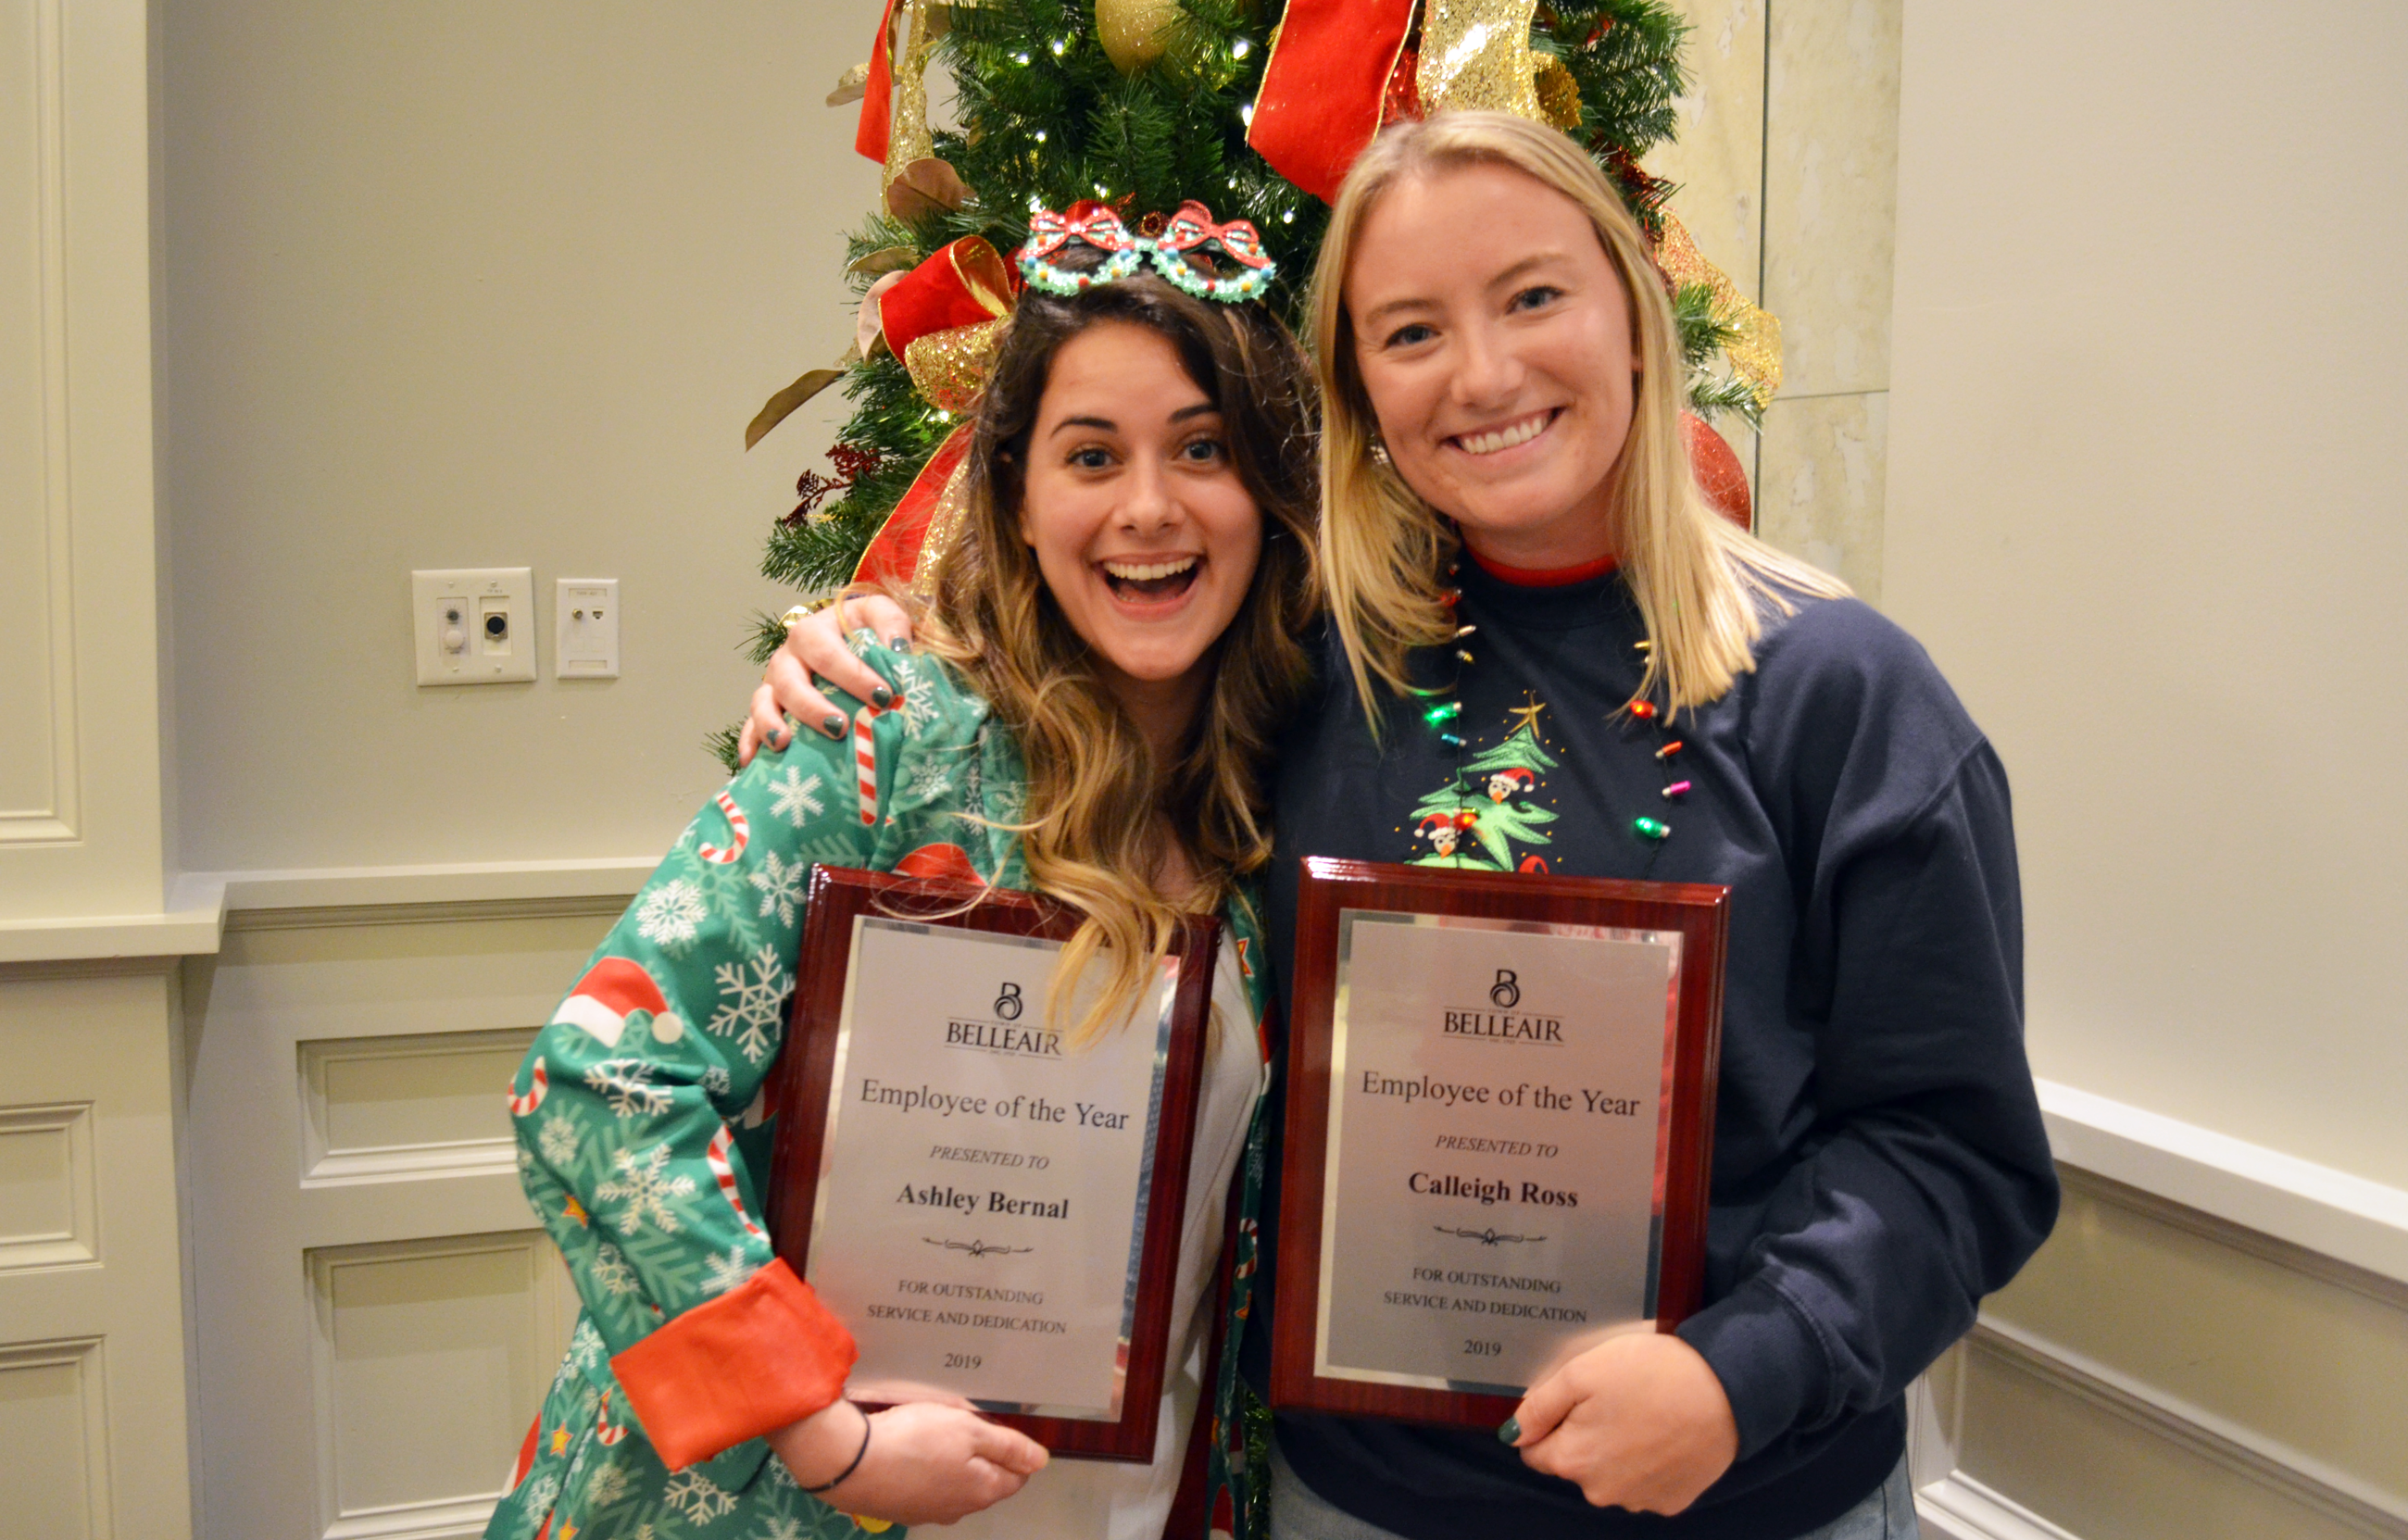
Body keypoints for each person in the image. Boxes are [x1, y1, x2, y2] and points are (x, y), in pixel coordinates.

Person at [746, 111, 2058, 1540]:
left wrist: (1741, 1376)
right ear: (1359, 387)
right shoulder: (1295, 669)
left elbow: (1955, 1150)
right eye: (1413, 331)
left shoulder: (1848, 698)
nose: (1484, 373)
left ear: (1635, 316)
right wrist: (871, 648)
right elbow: (1071, 675)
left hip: (1750, 1500)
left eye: (1535, 296)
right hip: (1356, 1506)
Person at [492, 205, 1320, 1540]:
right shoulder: (886, 748)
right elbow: (594, 1081)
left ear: (1270, 495)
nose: (1150, 508)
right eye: (1091, 454)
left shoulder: (1289, 804)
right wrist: (823, 1440)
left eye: (1205, 449)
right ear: (1017, 496)